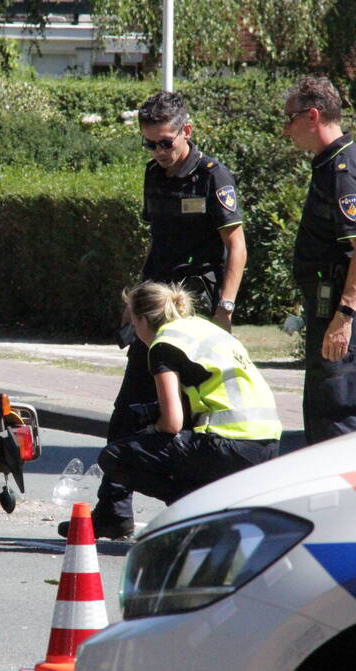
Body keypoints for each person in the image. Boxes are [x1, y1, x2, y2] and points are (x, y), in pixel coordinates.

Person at [60, 281, 282, 540]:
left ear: (143, 319)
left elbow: (173, 423)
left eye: (133, 322)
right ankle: (210, 508)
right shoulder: (205, 329)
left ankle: (196, 512)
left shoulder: (162, 344)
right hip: (267, 443)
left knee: (116, 457)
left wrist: (153, 428)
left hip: (229, 446)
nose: (133, 329)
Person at [109, 91, 248, 443]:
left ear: (186, 130)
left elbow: (237, 247)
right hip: (156, 301)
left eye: (165, 143)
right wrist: (136, 300)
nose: (158, 152)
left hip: (195, 303)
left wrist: (225, 309)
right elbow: (157, 242)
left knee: (189, 401)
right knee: (132, 399)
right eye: (149, 144)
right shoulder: (153, 175)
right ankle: (114, 497)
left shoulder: (212, 177)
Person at [282, 76, 356, 445]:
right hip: (332, 303)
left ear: (312, 116)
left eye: (290, 118)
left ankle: (342, 499)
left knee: (335, 416)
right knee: (323, 410)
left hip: (343, 307)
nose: (285, 128)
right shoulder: (333, 163)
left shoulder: (344, 170)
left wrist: (343, 318)